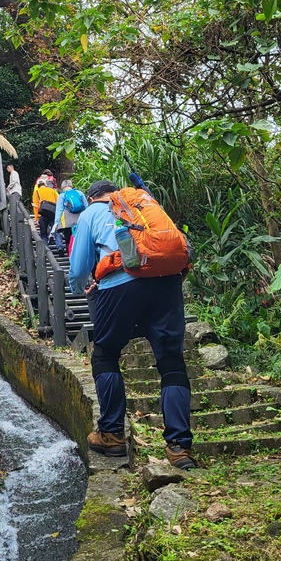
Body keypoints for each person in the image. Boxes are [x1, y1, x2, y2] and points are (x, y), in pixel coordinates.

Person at [68, 179, 196, 470]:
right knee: (172, 363)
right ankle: (179, 448)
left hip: (120, 286)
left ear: (92, 198)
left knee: (106, 353)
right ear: (116, 193)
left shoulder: (91, 213)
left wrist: (81, 287)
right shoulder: (144, 205)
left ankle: (111, 434)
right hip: (166, 283)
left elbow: (77, 269)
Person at [50, 180, 88, 254]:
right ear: (71, 185)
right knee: (79, 238)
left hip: (67, 221)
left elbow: (59, 210)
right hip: (80, 219)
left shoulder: (62, 196)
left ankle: (70, 255)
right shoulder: (80, 193)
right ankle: (80, 254)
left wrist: (56, 223)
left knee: (68, 239)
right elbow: (86, 206)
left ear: (63, 187)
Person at [32, 175, 58, 244]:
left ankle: (46, 249)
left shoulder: (36, 192)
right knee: (55, 230)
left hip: (42, 214)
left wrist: (36, 218)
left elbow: (36, 206)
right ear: (45, 184)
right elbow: (58, 201)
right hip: (52, 213)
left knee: (43, 234)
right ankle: (59, 246)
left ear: (38, 185)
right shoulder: (52, 191)